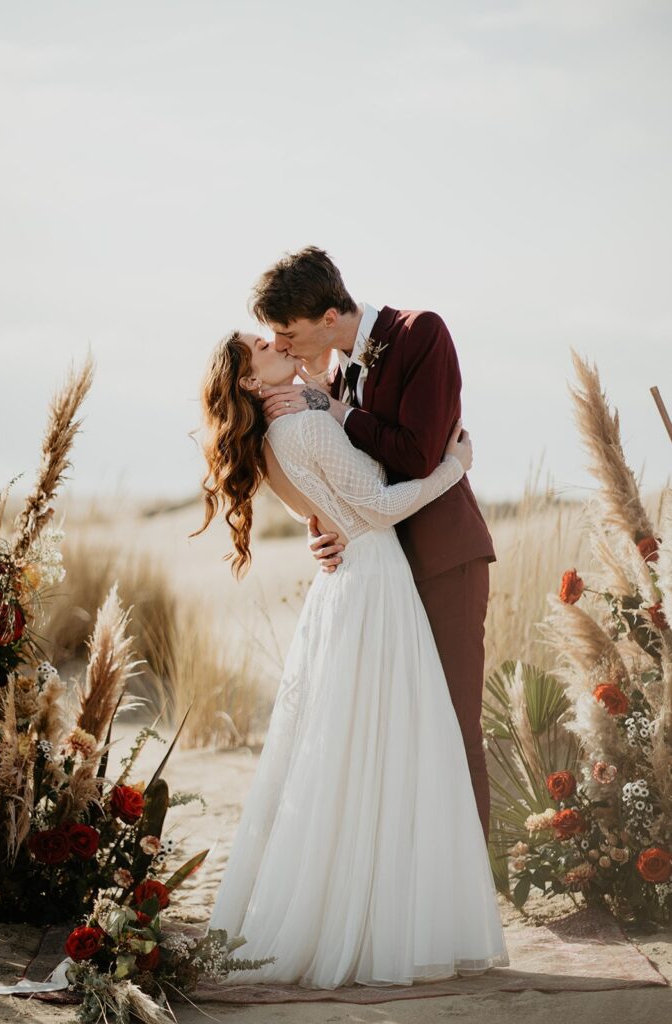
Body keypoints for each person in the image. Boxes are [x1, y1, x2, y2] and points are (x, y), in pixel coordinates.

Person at [191, 329, 509, 989]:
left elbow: (327, 511)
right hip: (375, 588)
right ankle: (378, 925)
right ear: (250, 382)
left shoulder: (278, 436)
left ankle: (362, 914)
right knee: (387, 751)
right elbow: (379, 507)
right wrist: (455, 466)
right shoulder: (302, 432)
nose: (271, 339)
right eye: (259, 346)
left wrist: (318, 406)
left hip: (348, 589)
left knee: (352, 756)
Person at [252, 247, 496, 842]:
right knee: (396, 734)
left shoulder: (421, 334)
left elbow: (416, 455)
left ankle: (472, 892)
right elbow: (347, 483)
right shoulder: (335, 374)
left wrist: (332, 410)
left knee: (452, 724)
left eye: (288, 333)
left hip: (442, 559)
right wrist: (322, 529)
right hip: (380, 570)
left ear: (330, 317)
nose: (281, 346)